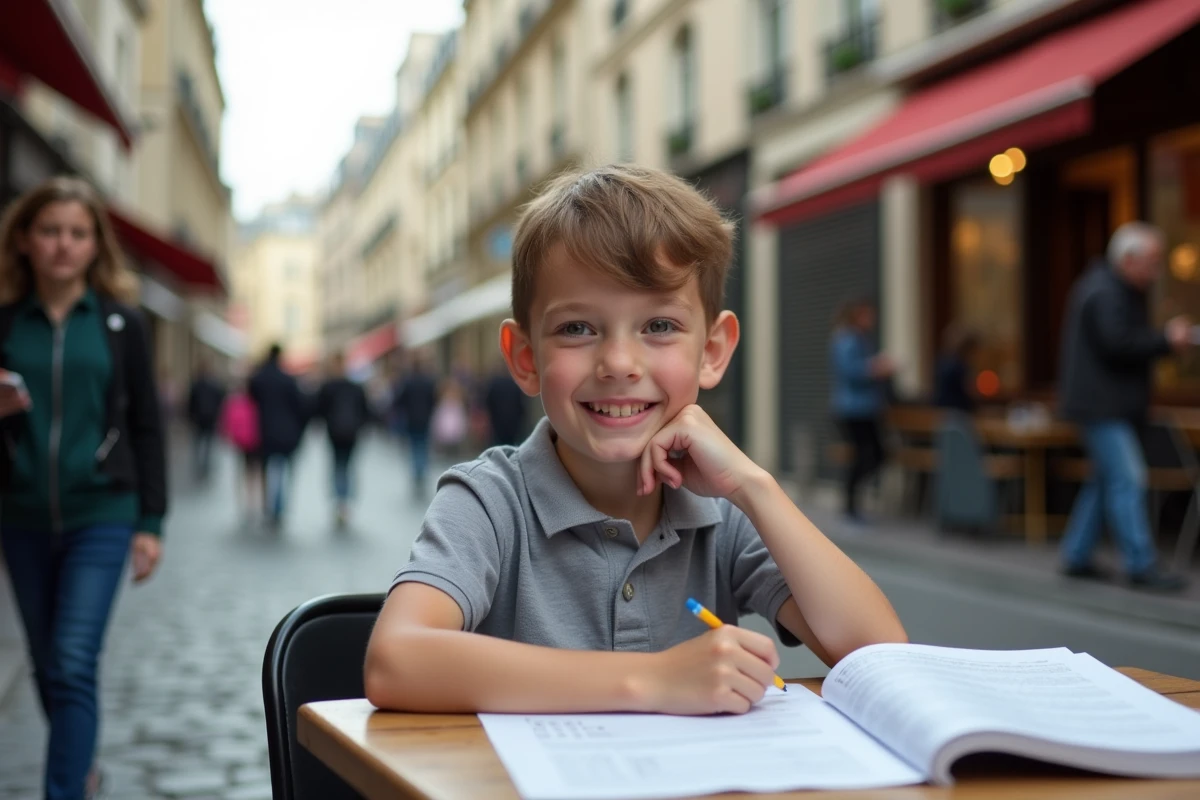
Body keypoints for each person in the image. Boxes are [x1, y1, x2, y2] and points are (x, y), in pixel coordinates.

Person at [363, 164, 906, 716]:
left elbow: (883, 659)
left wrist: (753, 486)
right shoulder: (489, 503)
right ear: (526, 359)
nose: (619, 363)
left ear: (713, 350)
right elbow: (395, 661)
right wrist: (654, 679)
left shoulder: (723, 513)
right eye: (578, 328)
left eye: (659, 326)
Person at [0, 176, 167, 799]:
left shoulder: (122, 324)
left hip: (102, 510)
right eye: (49, 231)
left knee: (71, 659)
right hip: (19, 513)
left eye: (77, 233)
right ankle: (84, 767)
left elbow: (147, 424)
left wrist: (151, 522)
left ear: (97, 244)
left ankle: (65, 789)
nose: (63, 245)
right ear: (24, 240)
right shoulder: (6, 322)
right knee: (48, 666)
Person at [1058, 222, 1193, 592]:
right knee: (1128, 477)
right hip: (1103, 407)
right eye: (1152, 261)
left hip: (1103, 405)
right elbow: (1117, 344)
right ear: (1128, 259)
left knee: (1105, 481)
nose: (1155, 270)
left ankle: (1077, 554)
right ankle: (1140, 563)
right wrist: (1165, 340)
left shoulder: (1106, 288)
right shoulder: (1106, 292)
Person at [829, 297, 894, 522]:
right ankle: (850, 503)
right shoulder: (847, 340)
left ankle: (851, 502)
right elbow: (852, 372)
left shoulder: (860, 340)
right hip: (854, 410)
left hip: (865, 409)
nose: (871, 320)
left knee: (872, 454)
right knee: (866, 455)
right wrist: (877, 367)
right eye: (867, 315)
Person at [248, 344, 307, 528]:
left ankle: (270, 505)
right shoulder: (288, 380)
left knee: (268, 470)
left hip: (264, 431)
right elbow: (300, 407)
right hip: (286, 433)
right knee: (281, 470)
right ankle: (278, 507)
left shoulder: (259, 378)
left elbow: (250, 398)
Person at [316, 352, 370, 528]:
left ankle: (340, 502)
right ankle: (345, 502)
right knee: (347, 466)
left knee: (338, 466)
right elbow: (365, 410)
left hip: (334, 433)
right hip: (351, 433)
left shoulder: (328, 386)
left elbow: (319, 410)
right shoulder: (355, 387)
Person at [392, 357, 437, 497]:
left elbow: (399, 401)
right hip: (424, 420)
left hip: (411, 421)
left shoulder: (408, 382)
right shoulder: (428, 382)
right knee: (422, 447)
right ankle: (421, 472)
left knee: (414, 448)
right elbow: (433, 400)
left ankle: (417, 474)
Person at [219, 374, 263, 520]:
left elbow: (227, 421)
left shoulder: (235, 401)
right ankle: (255, 501)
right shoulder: (258, 403)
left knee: (245, 471)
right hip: (256, 441)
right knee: (256, 472)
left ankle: (247, 501)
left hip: (243, 442)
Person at [186, 358, 225, 480]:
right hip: (210, 417)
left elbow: (191, 402)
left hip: (200, 417)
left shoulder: (196, 384)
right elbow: (220, 401)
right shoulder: (214, 385)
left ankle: (200, 464)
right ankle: (205, 464)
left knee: (199, 441)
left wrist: (191, 415)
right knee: (207, 442)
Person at [933, 324, 978, 413]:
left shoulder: (942, 361)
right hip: (957, 412)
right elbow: (967, 391)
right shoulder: (959, 366)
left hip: (941, 412)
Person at [483, 361, 528, 446]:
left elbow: (488, 402)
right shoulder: (515, 384)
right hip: (513, 420)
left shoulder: (494, 383)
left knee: (498, 443)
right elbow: (521, 404)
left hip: (497, 420)